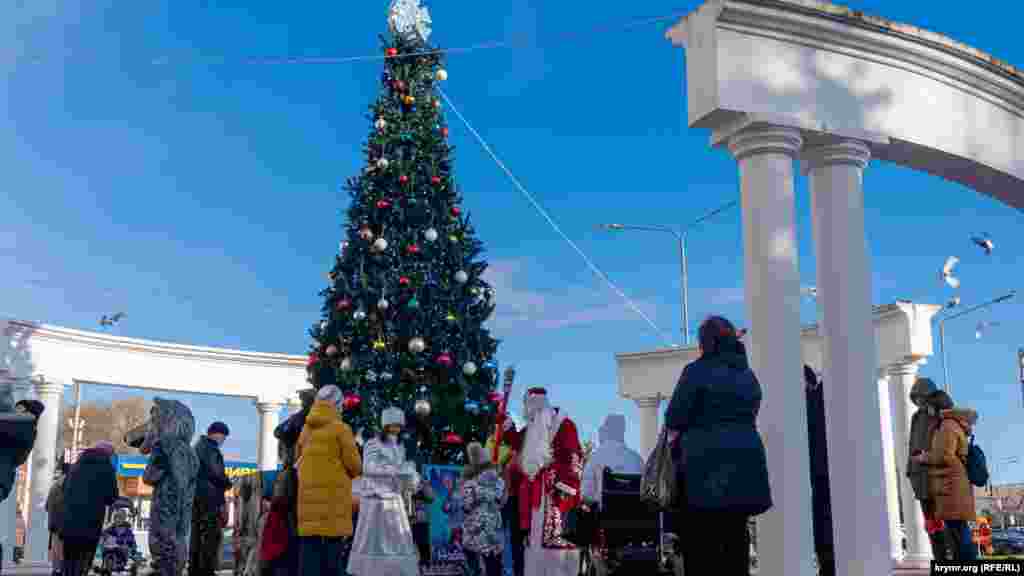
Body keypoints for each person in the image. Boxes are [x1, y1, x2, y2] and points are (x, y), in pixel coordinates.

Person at [665, 316, 772, 576]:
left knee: (702, 551)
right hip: (744, 472)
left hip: (702, 474)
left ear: (706, 342)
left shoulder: (696, 372)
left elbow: (674, 418)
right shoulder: (748, 376)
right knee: (736, 544)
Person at [503, 388, 583, 576]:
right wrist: (507, 430)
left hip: (556, 494)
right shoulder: (533, 426)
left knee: (555, 547)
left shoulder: (564, 425)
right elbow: (520, 441)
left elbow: (574, 458)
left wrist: (556, 476)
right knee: (534, 545)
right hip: (533, 496)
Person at [295, 385, 363, 576]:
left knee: (308, 560)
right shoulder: (341, 429)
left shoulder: (306, 430)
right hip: (333, 505)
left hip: (307, 506)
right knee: (332, 561)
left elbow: (297, 462)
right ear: (338, 404)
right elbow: (356, 467)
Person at [348, 407, 420, 576]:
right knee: (373, 538)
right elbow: (367, 467)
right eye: (392, 424)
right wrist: (392, 470)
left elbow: (402, 467)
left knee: (396, 538)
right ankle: (370, 569)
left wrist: (408, 473)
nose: (396, 428)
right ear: (385, 425)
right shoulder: (373, 443)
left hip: (393, 496)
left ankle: (395, 569)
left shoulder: (400, 446)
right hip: (376, 496)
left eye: (399, 425)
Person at [913, 398, 979, 561]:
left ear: (936, 408)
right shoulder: (952, 424)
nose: (927, 411)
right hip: (954, 483)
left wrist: (923, 457)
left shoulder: (947, 426)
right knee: (958, 530)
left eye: (928, 407)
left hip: (951, 485)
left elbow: (944, 455)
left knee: (958, 531)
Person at [906, 378, 951, 560]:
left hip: (938, 477)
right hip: (920, 478)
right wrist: (910, 470)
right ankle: (939, 558)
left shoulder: (942, 414)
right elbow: (911, 445)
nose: (918, 401)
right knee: (931, 525)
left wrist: (938, 406)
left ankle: (948, 559)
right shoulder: (916, 417)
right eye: (915, 397)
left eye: (921, 397)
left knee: (946, 524)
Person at [60, 441, 119, 576]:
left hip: (69, 522)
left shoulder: (76, 466)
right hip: (90, 524)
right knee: (83, 562)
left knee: (69, 562)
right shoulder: (106, 467)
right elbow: (112, 497)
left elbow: (63, 489)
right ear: (108, 454)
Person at [192, 421, 233, 576]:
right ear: (217, 433)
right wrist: (227, 483)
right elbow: (216, 473)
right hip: (209, 500)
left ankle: (196, 569)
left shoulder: (198, 447)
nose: (223, 441)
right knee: (210, 538)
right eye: (223, 437)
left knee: (197, 539)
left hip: (198, 499)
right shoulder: (210, 449)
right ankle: (206, 571)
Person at [804, 366, 834, 576]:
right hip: (819, 470)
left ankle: (828, 563)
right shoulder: (816, 400)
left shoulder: (815, 402)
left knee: (823, 518)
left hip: (820, 470)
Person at [462, 442, 506, 576]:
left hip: (475, 530)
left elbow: (466, 506)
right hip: (493, 530)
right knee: (494, 566)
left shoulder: (469, 483)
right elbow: (502, 501)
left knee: (475, 567)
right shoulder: (498, 481)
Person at [581, 414, 644, 505]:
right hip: (633, 515)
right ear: (622, 433)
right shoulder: (637, 459)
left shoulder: (596, 458)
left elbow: (586, 494)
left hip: (604, 516)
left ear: (605, 432)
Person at [46, 461, 69, 576]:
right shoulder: (69, 484)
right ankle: (60, 570)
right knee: (63, 549)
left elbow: (47, 506)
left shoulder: (54, 485)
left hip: (54, 522)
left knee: (56, 549)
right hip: (63, 523)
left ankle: (56, 571)